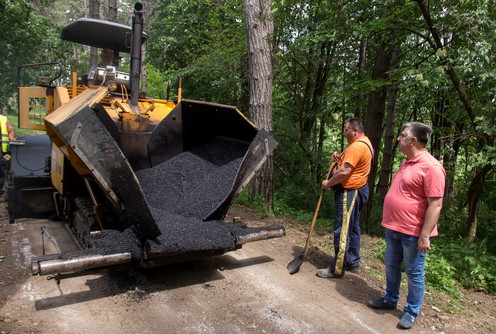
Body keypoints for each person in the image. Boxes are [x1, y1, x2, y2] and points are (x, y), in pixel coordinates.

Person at [368, 122, 445, 330]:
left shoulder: (432, 167)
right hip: (394, 227)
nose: (399, 139)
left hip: (413, 233)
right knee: (391, 265)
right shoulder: (407, 161)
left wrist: (425, 235)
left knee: (414, 272)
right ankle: (390, 299)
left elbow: (436, 204)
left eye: (403, 136)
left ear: (413, 141)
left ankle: (411, 311)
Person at [316, 118, 373, 279]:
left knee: (342, 230)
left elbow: (343, 172)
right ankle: (352, 263)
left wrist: (327, 183)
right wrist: (338, 158)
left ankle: (337, 268)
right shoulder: (365, 142)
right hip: (360, 189)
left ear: (355, 130)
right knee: (353, 227)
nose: (343, 132)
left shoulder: (357, 147)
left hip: (350, 192)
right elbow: (349, 163)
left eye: (346, 129)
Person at [0, 114, 16, 200]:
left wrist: (11, 137)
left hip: (4, 151)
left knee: (5, 169)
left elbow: (10, 131)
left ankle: (4, 192)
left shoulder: (3, 119)